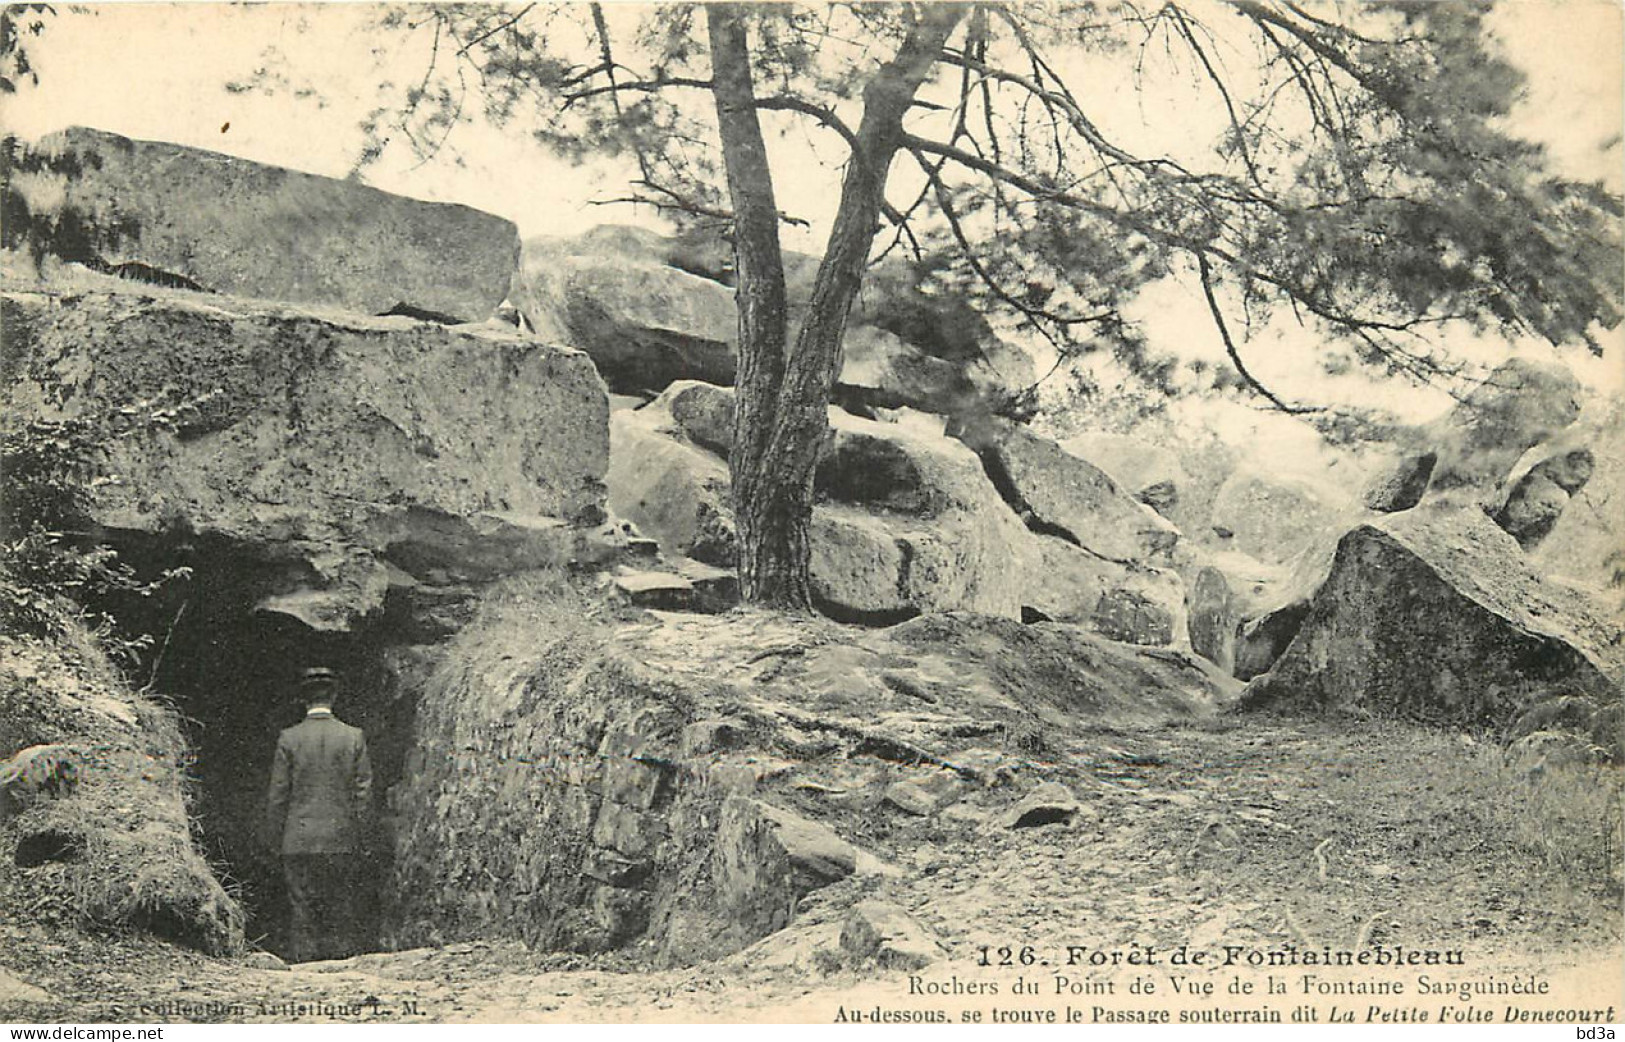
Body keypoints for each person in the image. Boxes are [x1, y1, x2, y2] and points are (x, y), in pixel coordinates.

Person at [264, 666, 372, 962]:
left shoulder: (289, 738)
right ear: (334, 696)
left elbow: (278, 795)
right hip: (341, 837)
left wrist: (275, 838)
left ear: (303, 699)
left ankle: (305, 961)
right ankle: (340, 960)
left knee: (301, 903)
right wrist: (362, 836)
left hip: (297, 838)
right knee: (339, 900)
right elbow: (363, 794)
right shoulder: (353, 737)